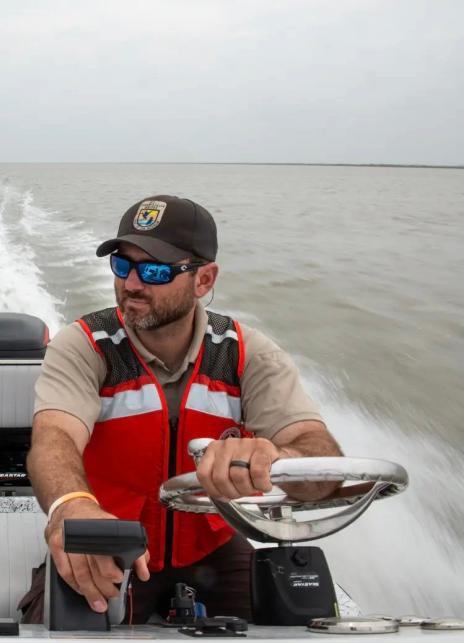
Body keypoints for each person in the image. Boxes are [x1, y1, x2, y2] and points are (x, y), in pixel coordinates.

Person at [19, 195, 343, 624]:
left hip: (212, 547)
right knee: (59, 627)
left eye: (154, 270)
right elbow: (53, 440)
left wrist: (280, 459)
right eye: (122, 265)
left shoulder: (247, 355)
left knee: (297, 626)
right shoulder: (84, 347)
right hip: (109, 537)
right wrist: (73, 507)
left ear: (204, 280)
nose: (132, 283)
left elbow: (323, 462)